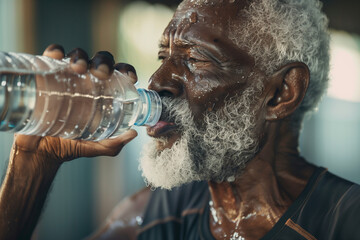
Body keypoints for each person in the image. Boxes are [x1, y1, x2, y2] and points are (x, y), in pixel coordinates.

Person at [1, 0, 359, 239]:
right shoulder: (150, 215)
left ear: (282, 92)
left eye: (197, 60)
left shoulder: (343, 221)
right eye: (163, 56)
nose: (157, 82)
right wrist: (34, 161)